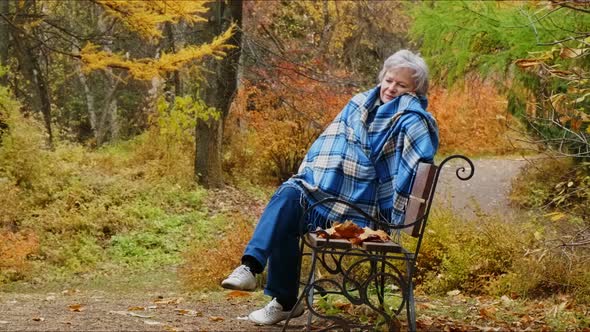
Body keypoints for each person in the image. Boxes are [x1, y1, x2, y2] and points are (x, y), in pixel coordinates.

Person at [221, 49, 439, 325]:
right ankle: (250, 268)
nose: (392, 88)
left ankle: (284, 300)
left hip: (363, 210)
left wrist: (411, 109)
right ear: (381, 78)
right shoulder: (360, 104)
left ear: (415, 90)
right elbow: (331, 144)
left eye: (402, 85)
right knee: (290, 197)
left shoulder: (411, 118)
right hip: (329, 196)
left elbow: (418, 157)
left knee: (290, 207)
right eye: (389, 80)